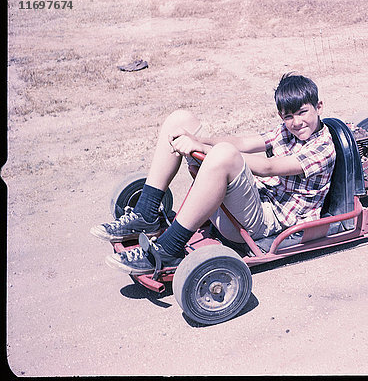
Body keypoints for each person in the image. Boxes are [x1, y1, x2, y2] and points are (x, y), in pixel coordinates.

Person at [91, 73, 336, 275]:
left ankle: (168, 250)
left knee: (224, 155)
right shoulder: (287, 130)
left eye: (303, 112)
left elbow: (268, 167)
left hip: (268, 224)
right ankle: (146, 213)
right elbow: (243, 142)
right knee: (180, 120)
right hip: (255, 204)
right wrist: (197, 139)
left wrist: (204, 150)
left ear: (319, 107)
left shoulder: (323, 148)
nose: (296, 122)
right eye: (288, 116)